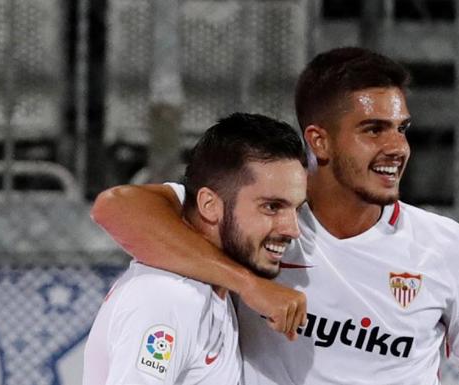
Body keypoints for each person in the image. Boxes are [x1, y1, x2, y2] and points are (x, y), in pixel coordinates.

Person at [91, 47, 459, 384]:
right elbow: (115, 206)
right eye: (373, 129)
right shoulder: (257, 221)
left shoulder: (450, 250)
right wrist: (251, 286)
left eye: (401, 128)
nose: (397, 147)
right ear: (320, 141)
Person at [83, 113, 308, 384]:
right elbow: (114, 205)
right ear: (209, 205)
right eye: (271, 207)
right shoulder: (166, 298)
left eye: (296, 208)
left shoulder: (212, 292)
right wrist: (250, 285)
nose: (292, 229)